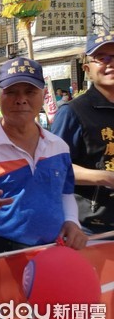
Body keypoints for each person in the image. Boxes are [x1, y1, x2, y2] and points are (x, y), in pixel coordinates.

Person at [0, 58, 88, 256]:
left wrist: (72, 221)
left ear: (44, 95)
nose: (21, 99)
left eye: (30, 92)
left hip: (52, 252)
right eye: (11, 92)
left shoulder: (58, 147)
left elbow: (65, 194)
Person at [51, 30, 114, 235]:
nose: (110, 63)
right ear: (87, 69)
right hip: (93, 227)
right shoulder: (73, 112)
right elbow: (54, 167)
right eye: (102, 58)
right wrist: (104, 177)